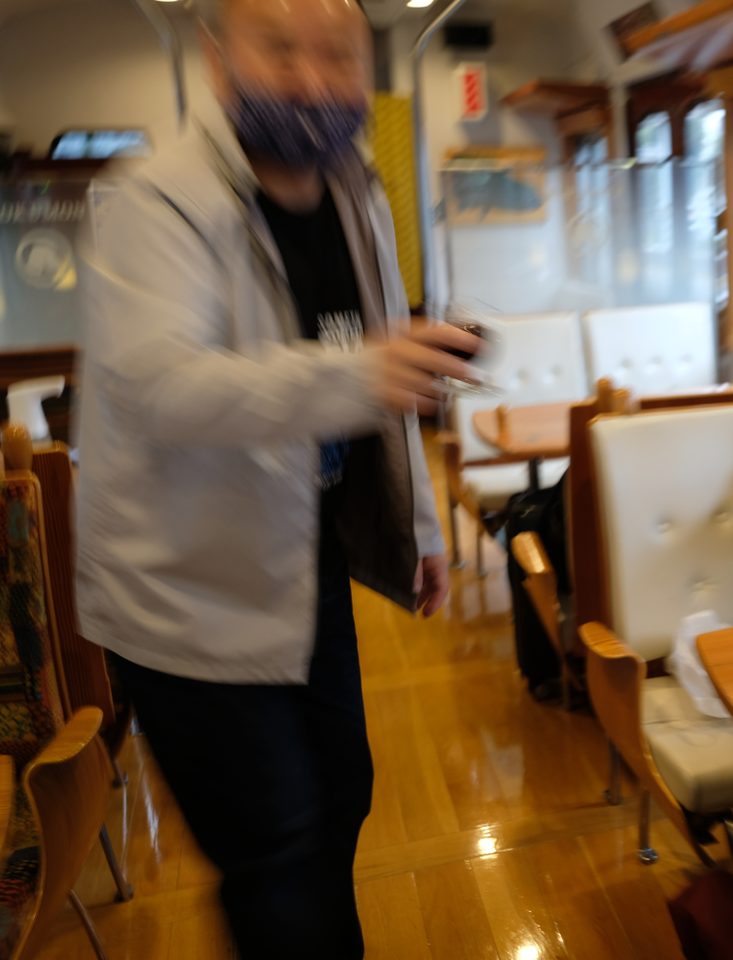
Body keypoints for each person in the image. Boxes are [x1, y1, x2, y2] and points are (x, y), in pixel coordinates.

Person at [74, 0, 479, 956]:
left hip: (305, 563)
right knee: (276, 845)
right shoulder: (153, 203)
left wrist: (418, 525)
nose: (312, 79)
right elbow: (162, 388)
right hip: (185, 597)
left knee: (342, 792)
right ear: (218, 60)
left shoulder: (357, 190)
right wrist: (361, 373)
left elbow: (389, 373)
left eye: (337, 54)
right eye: (280, 49)